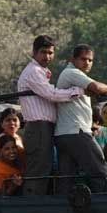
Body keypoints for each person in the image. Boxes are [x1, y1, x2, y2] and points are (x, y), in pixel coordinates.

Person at [15, 35, 84, 195]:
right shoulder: (33, 71)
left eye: (50, 53)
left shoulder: (41, 72)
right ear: (34, 52)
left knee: (46, 169)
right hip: (38, 128)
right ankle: (32, 211)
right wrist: (77, 91)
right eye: (43, 52)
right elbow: (51, 94)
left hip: (45, 128)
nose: (47, 56)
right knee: (38, 172)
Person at [54, 44, 107, 194]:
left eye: (90, 60)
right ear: (73, 59)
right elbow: (96, 87)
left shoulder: (77, 77)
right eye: (83, 59)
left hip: (64, 134)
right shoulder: (71, 72)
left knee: (67, 178)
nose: (87, 63)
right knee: (102, 173)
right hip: (76, 132)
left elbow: (91, 91)